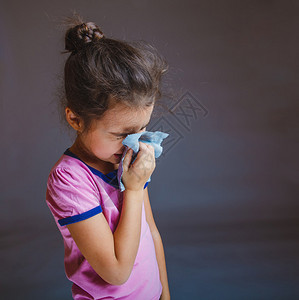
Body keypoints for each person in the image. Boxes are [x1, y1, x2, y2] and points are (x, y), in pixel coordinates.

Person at [46, 15, 171, 300]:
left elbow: (151, 233)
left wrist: (165, 294)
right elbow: (116, 272)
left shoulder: (128, 158)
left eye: (141, 130)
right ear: (76, 119)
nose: (133, 142)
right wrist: (134, 189)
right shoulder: (69, 180)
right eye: (120, 134)